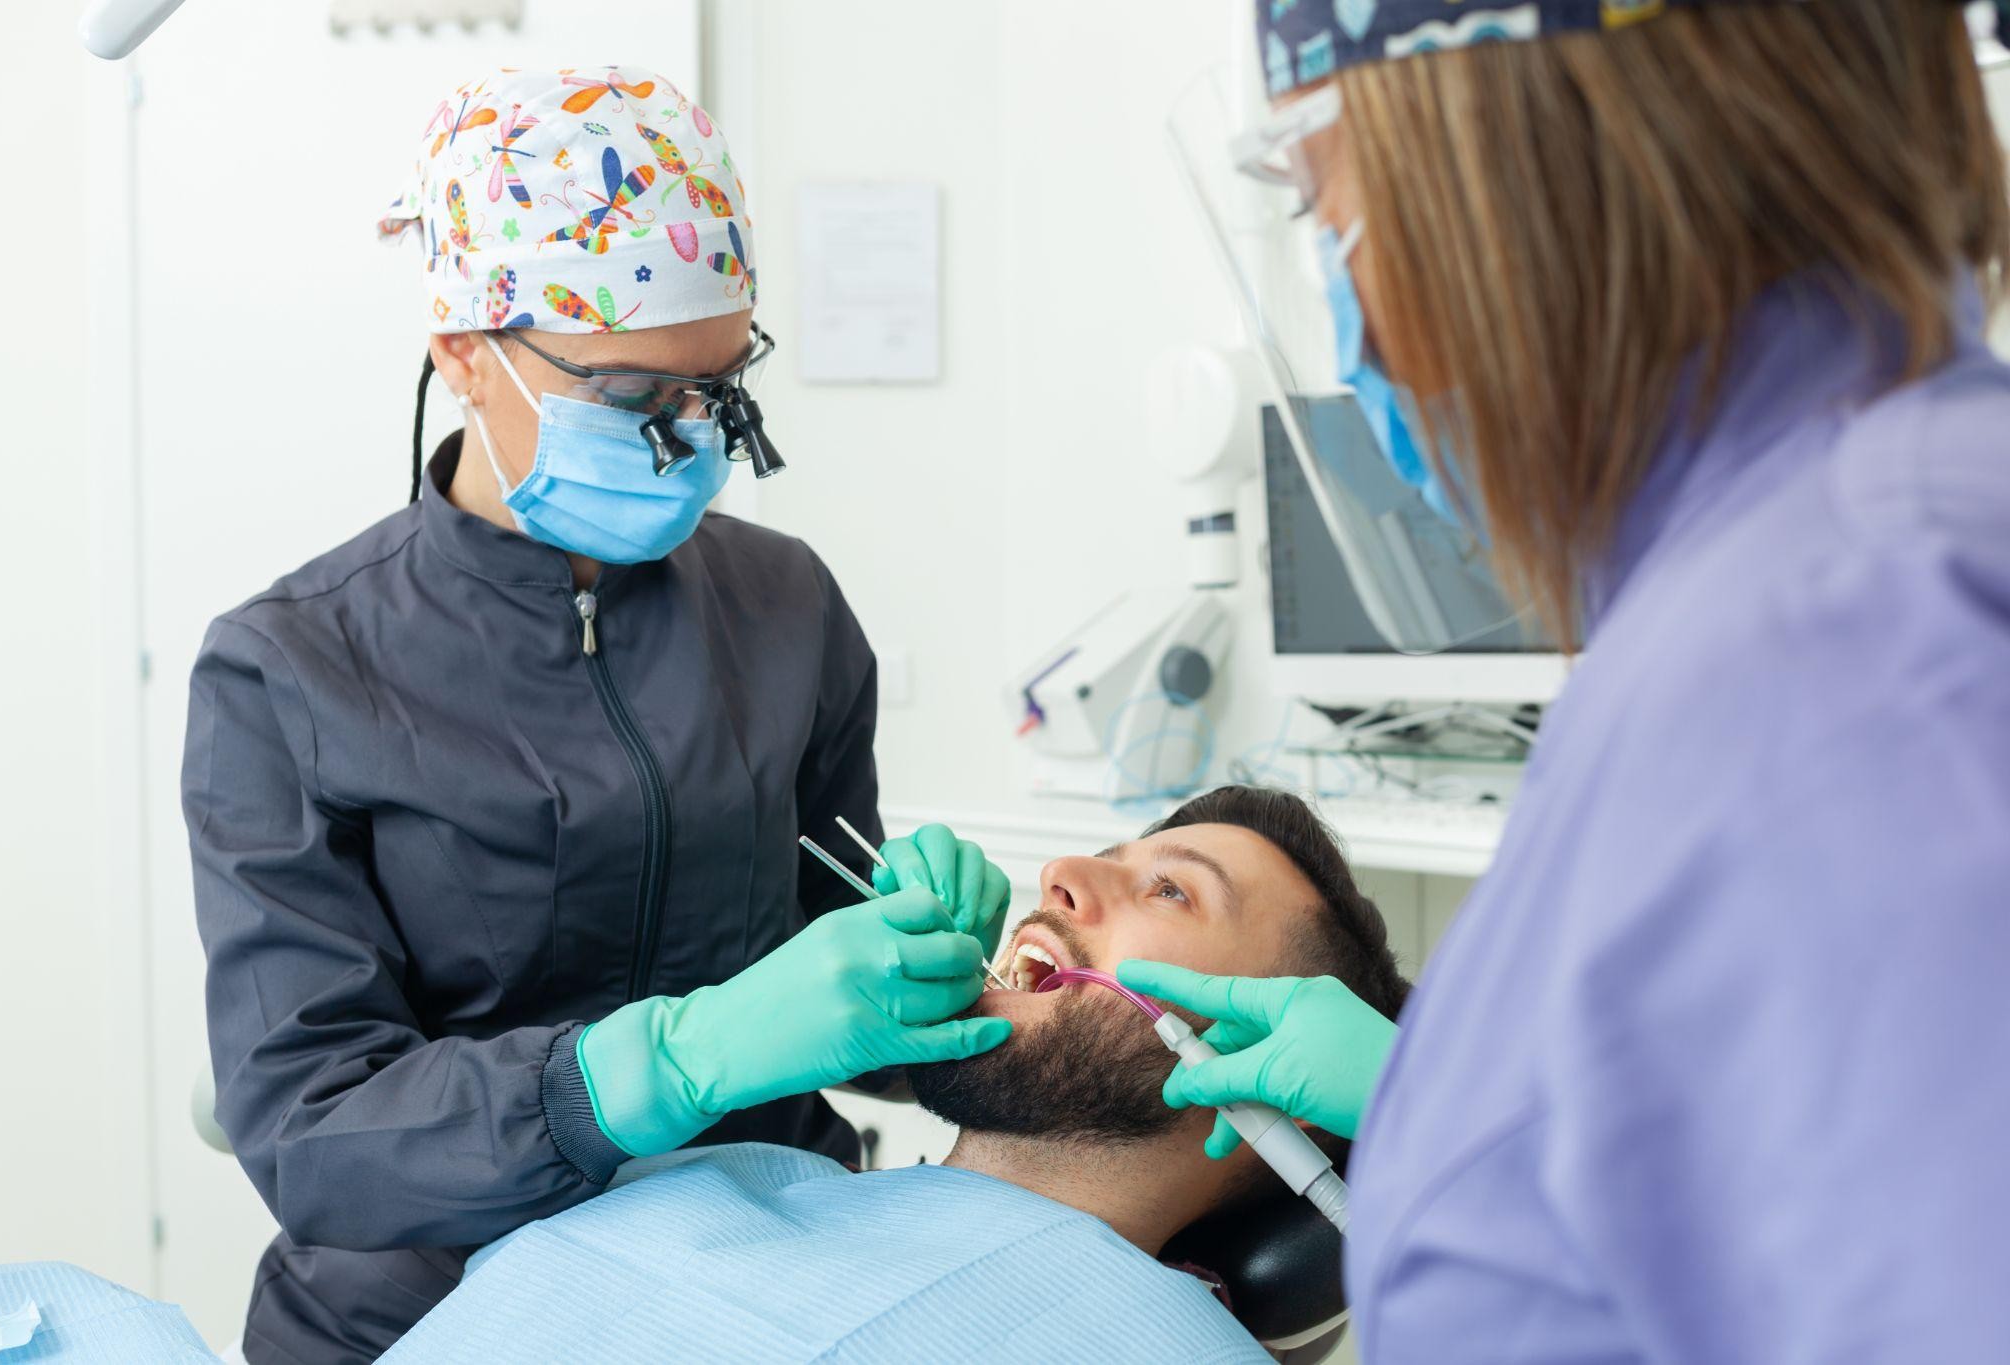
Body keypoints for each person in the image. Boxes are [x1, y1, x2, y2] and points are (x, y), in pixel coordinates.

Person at [1125, 2, 2010, 1360]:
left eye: (1319, 199)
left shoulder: (1851, 662)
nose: (1350, 319)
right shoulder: (1804, 585)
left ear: (1510, 162)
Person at [181, 66, 1011, 1362]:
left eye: (719, 387)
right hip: (436, 1307)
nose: (690, 436)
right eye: (633, 395)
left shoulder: (783, 604)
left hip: (764, 1271)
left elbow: (834, 971)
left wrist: (931, 966)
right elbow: (311, 1131)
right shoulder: (288, 668)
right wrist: (661, 1066)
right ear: (465, 353)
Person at [371, 785, 1409, 1362]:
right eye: (1108, 852)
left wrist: (1428, 1112)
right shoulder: (719, 1174)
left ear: (1278, 1081)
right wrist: (677, 1056)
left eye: (1173, 892)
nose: (1059, 874)